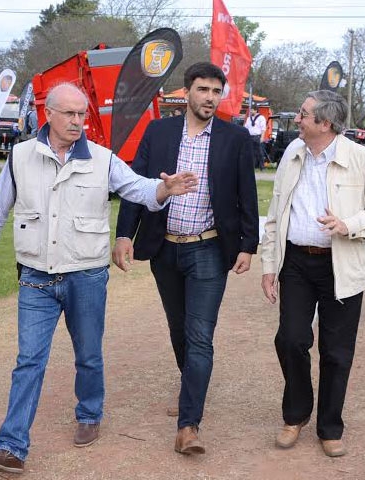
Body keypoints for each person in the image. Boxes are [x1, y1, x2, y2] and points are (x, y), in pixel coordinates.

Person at [0, 83, 199, 474]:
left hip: (86, 275)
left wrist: (163, 189)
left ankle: (89, 413)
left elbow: (135, 187)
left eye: (82, 114)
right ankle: (12, 447)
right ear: (47, 115)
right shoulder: (20, 156)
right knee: (28, 361)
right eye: (69, 114)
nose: (76, 121)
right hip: (36, 276)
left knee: (88, 354)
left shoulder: (103, 159)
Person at [112, 62, 259, 455]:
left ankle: (188, 425)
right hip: (165, 247)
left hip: (209, 248)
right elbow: (136, 186)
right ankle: (192, 386)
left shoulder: (235, 138)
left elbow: (248, 193)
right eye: (203, 90)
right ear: (187, 91)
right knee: (179, 332)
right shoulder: (159, 131)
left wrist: (248, 245)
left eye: (216, 91)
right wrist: (125, 234)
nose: (210, 97)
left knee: (199, 336)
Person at [260, 90, 365, 457]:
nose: (298, 120)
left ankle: (330, 427)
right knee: (289, 340)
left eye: (304, 115)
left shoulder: (363, 160)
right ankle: (296, 414)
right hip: (296, 264)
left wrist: (348, 224)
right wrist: (269, 265)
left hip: (343, 264)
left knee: (336, 351)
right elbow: (276, 212)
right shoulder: (292, 153)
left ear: (325, 123)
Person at [244, 105, 267, 170]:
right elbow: (246, 128)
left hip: (257, 137)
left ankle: (262, 167)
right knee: (251, 153)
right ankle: (252, 167)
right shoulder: (249, 118)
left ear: (256, 110)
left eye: (252, 110)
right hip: (250, 137)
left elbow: (263, 128)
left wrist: (262, 137)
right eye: (250, 110)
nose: (250, 111)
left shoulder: (261, 118)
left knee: (260, 152)